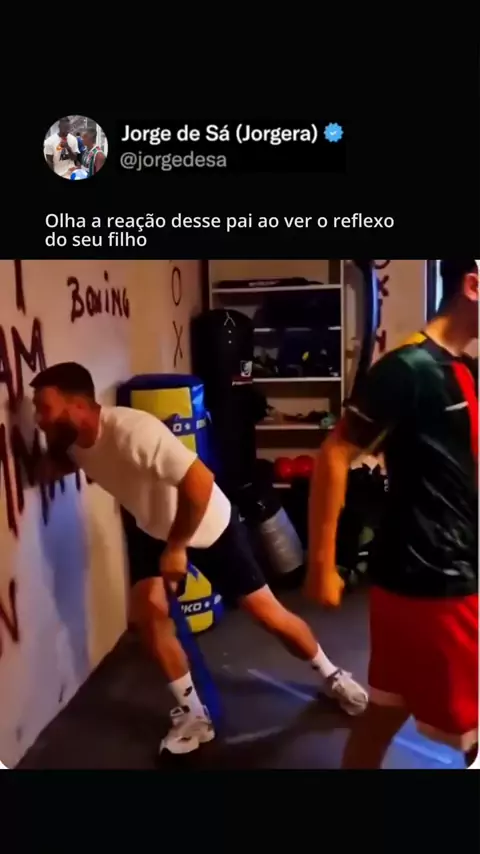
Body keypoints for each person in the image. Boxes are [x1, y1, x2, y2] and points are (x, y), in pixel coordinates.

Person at [30, 362, 368, 755]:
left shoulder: (133, 432)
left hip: (207, 523)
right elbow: (68, 463)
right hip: (153, 528)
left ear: (77, 405)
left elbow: (201, 482)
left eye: (45, 408)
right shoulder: (73, 443)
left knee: (267, 614)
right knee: (149, 615)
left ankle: (332, 674)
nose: (39, 419)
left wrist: (177, 548)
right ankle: (193, 715)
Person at [306, 259, 478, 769]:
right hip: (438, 583)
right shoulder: (408, 369)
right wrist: (322, 564)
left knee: (384, 712)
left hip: (418, 579)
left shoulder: (464, 369)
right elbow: (335, 453)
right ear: (473, 286)